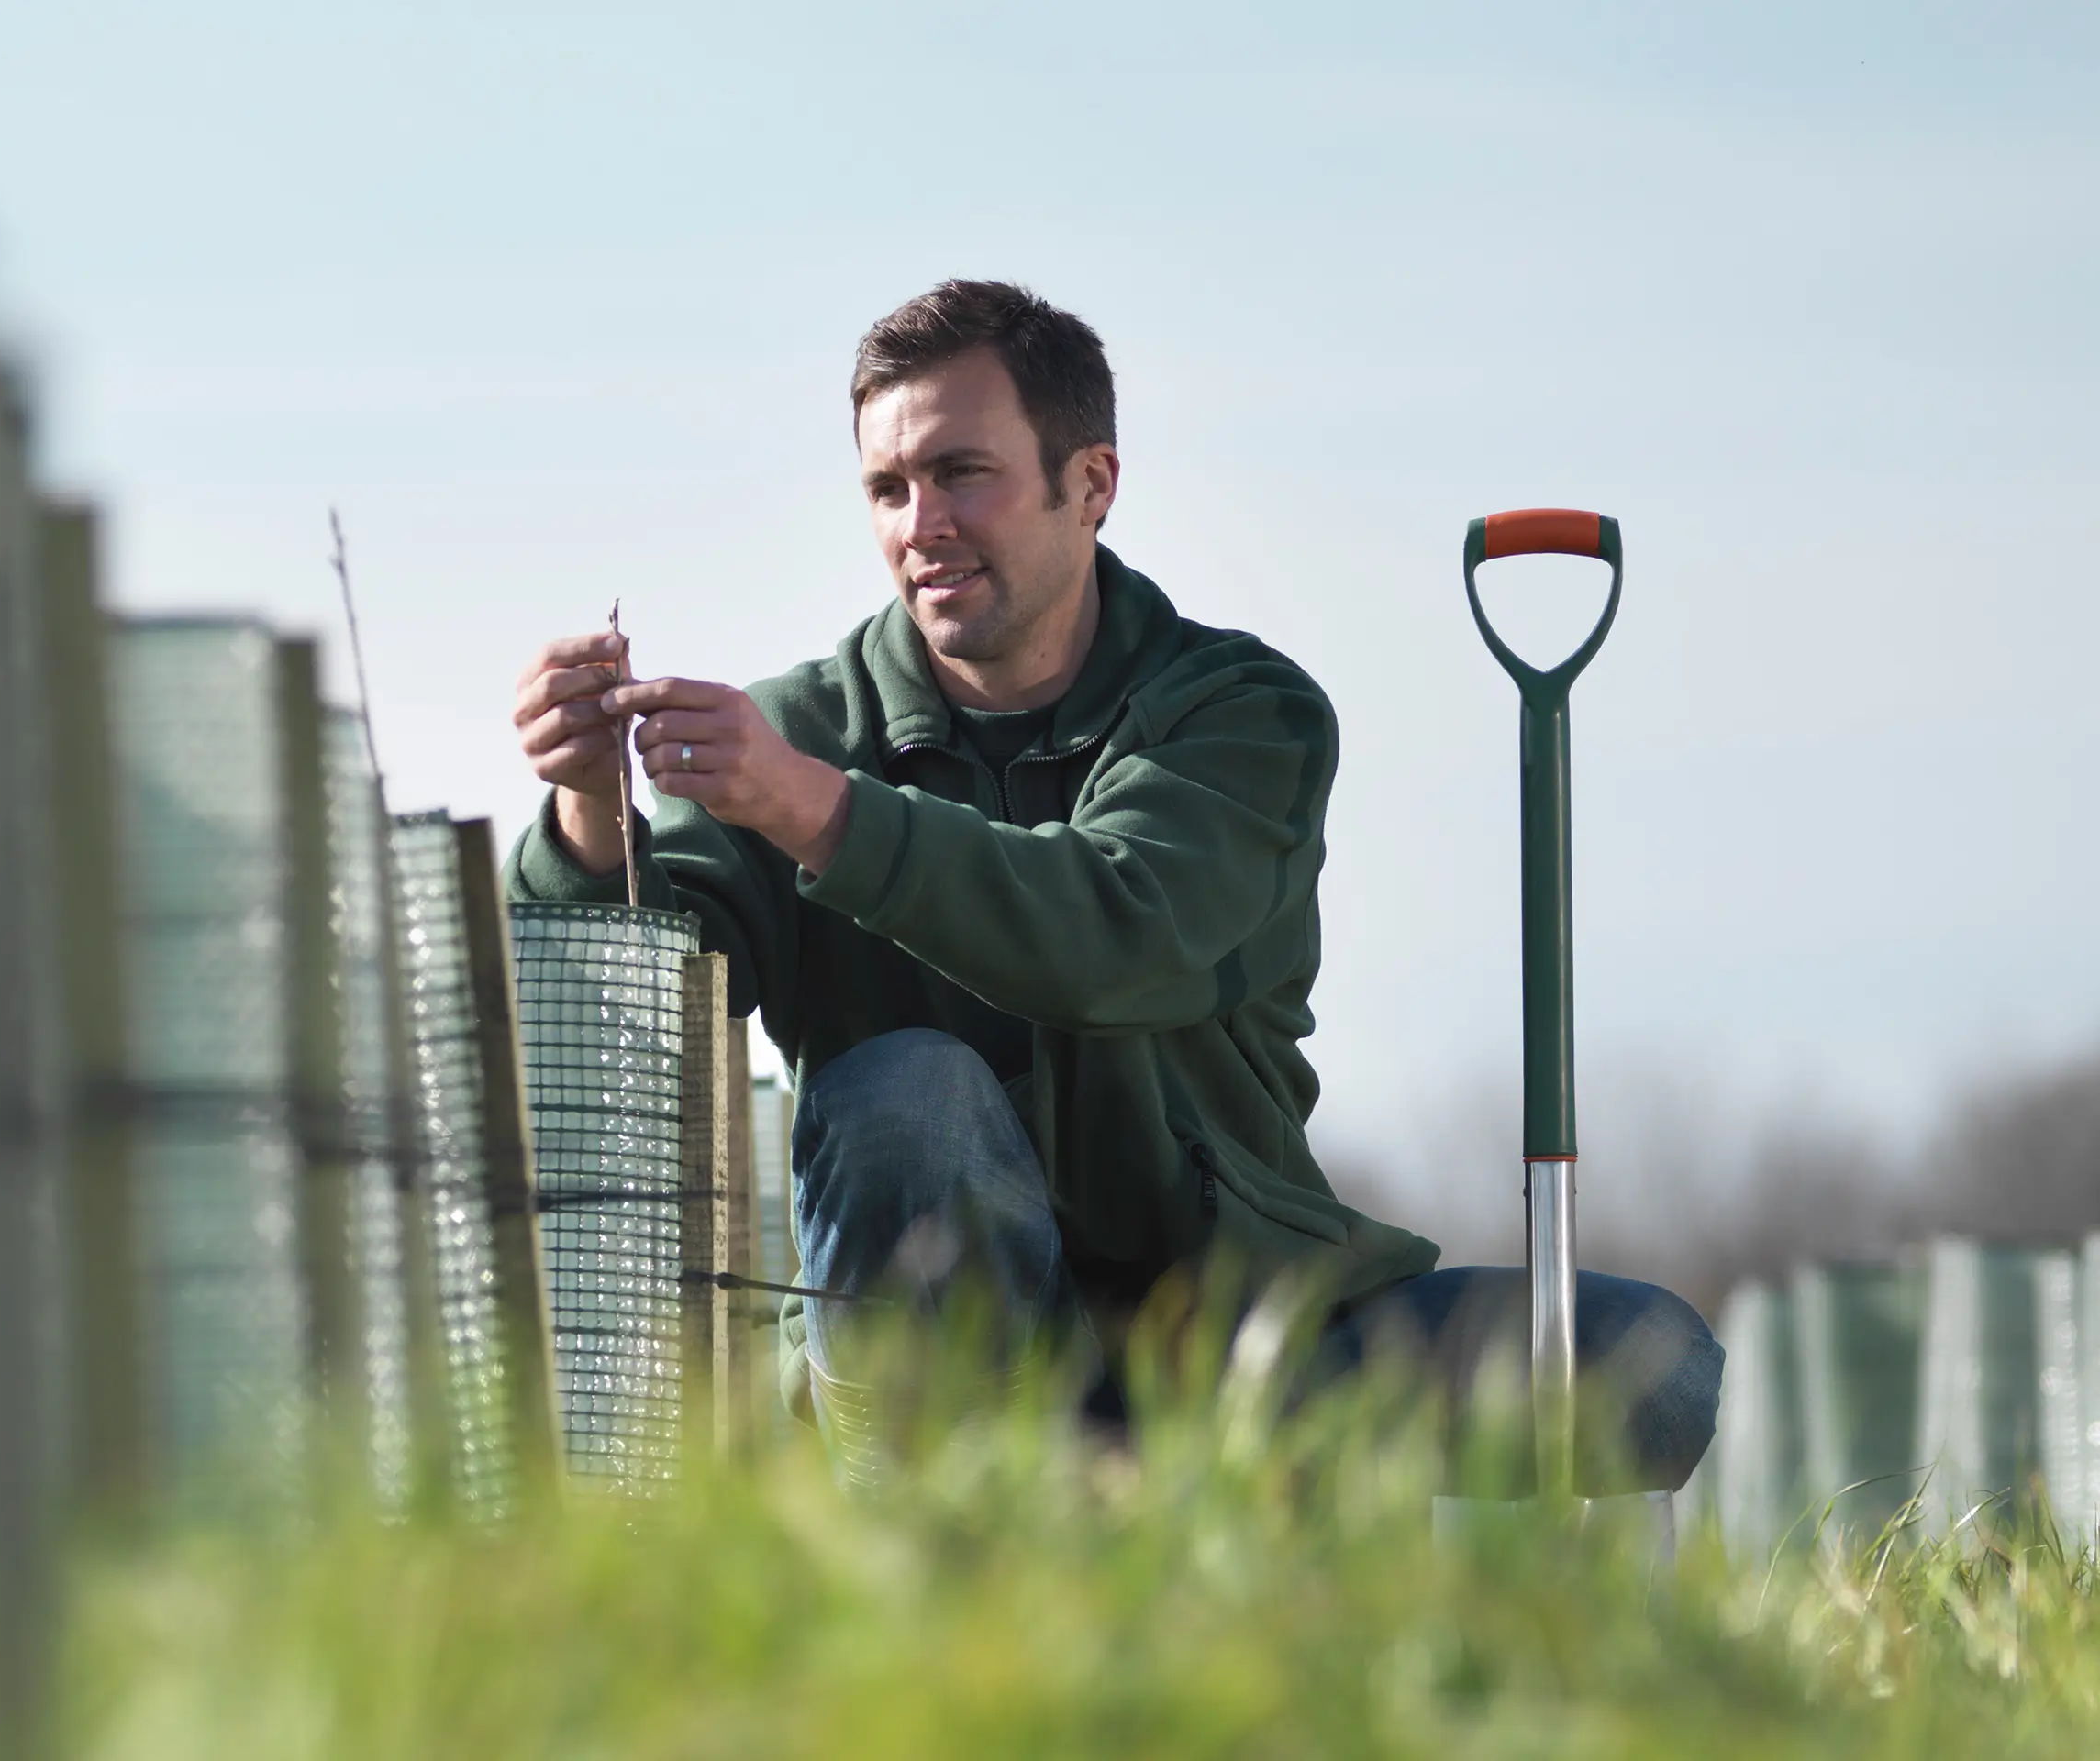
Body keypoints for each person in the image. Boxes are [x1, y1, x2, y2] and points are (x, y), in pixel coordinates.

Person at [506, 278, 1720, 1490]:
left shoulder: (1241, 718)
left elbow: (1116, 931)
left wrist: (818, 812)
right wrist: (590, 819)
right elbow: (630, 1030)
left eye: (961, 473)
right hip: (934, 1358)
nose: (920, 523)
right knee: (904, 1094)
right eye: (888, 487)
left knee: (1647, 1361)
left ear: (1091, 484)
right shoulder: (800, 733)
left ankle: (1188, 1494)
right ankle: (954, 1527)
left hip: (1236, 1337)